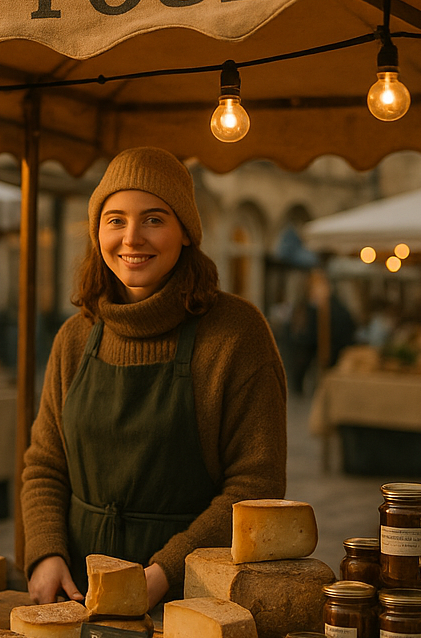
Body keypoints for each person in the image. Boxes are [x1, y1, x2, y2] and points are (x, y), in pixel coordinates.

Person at [22, 147, 287, 608]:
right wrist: (45, 553)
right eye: (115, 220)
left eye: (154, 219)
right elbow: (45, 464)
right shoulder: (75, 336)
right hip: (77, 592)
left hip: (192, 601)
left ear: (186, 232)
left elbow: (256, 487)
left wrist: (164, 574)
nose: (132, 238)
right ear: (97, 232)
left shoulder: (236, 333)